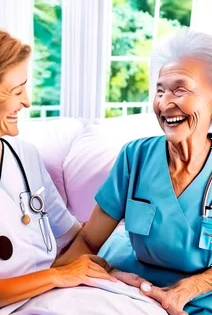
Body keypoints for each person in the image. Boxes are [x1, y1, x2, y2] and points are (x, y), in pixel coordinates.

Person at [0, 23, 167, 315]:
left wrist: (117, 265)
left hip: (48, 298)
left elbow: (73, 240)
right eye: (16, 91)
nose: (27, 101)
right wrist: (57, 276)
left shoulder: (24, 156)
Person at [55, 28, 212, 315]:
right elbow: (89, 241)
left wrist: (189, 288)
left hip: (197, 301)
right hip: (125, 286)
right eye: (160, 90)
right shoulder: (135, 155)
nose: (164, 104)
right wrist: (50, 280)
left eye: (180, 89)